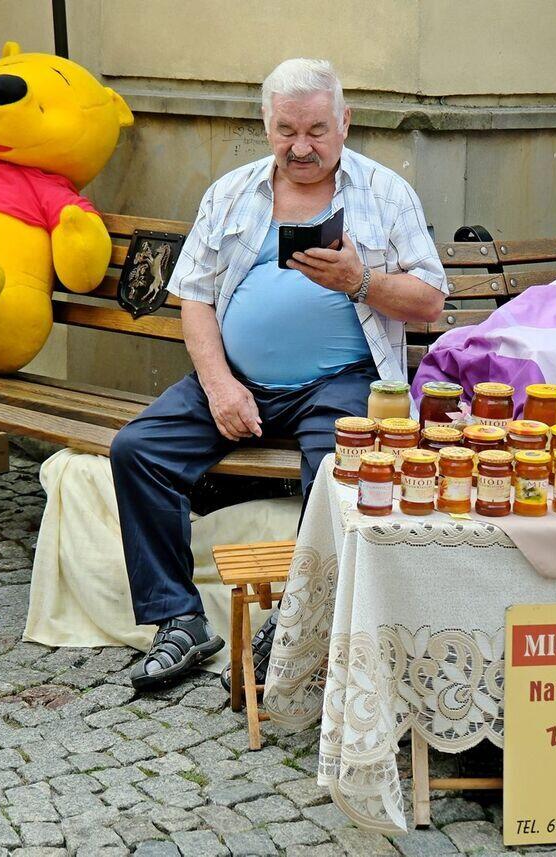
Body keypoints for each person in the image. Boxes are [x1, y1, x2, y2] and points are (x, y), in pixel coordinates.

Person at [112, 58, 448, 691]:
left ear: (344, 123)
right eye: (286, 130)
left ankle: (294, 626)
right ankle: (178, 620)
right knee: (138, 450)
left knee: (339, 473)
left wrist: (360, 280)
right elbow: (195, 298)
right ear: (266, 125)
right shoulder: (232, 192)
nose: (301, 147)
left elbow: (430, 300)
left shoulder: (385, 193)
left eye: (317, 130)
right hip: (237, 377)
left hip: (341, 379)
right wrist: (219, 385)